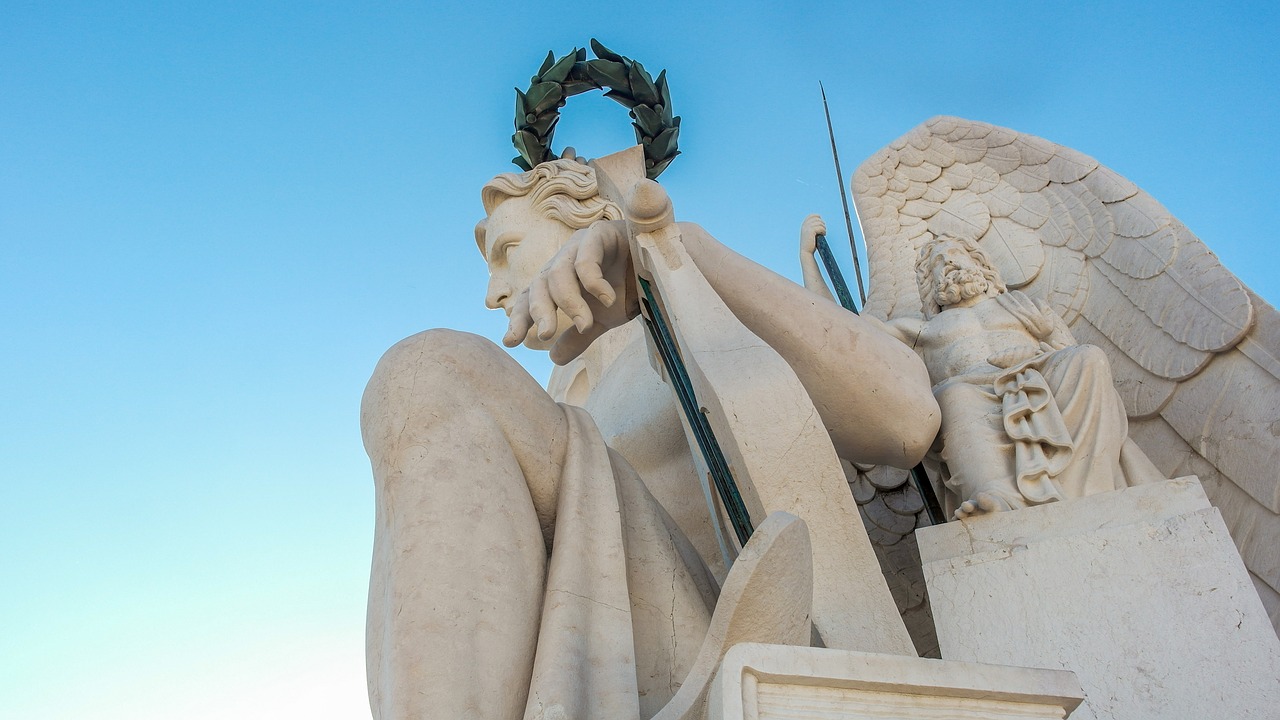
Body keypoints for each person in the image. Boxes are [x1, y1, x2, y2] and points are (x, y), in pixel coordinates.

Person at [361, 158, 939, 719]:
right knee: (423, 382)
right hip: (611, 665)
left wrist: (662, 255)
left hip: (732, 652)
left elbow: (905, 417)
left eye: (507, 252)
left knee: (432, 366)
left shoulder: (712, 315)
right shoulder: (554, 409)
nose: (493, 293)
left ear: (593, 220)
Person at [803, 225, 1162, 520]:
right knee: (952, 397)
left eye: (953, 254)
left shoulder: (1022, 305)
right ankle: (995, 493)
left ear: (979, 264)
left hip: (1038, 375)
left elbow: (1066, 349)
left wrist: (1048, 335)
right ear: (930, 284)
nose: (947, 263)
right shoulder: (921, 330)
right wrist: (808, 260)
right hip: (970, 389)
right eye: (937, 263)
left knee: (1089, 359)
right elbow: (839, 331)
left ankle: (1093, 482)